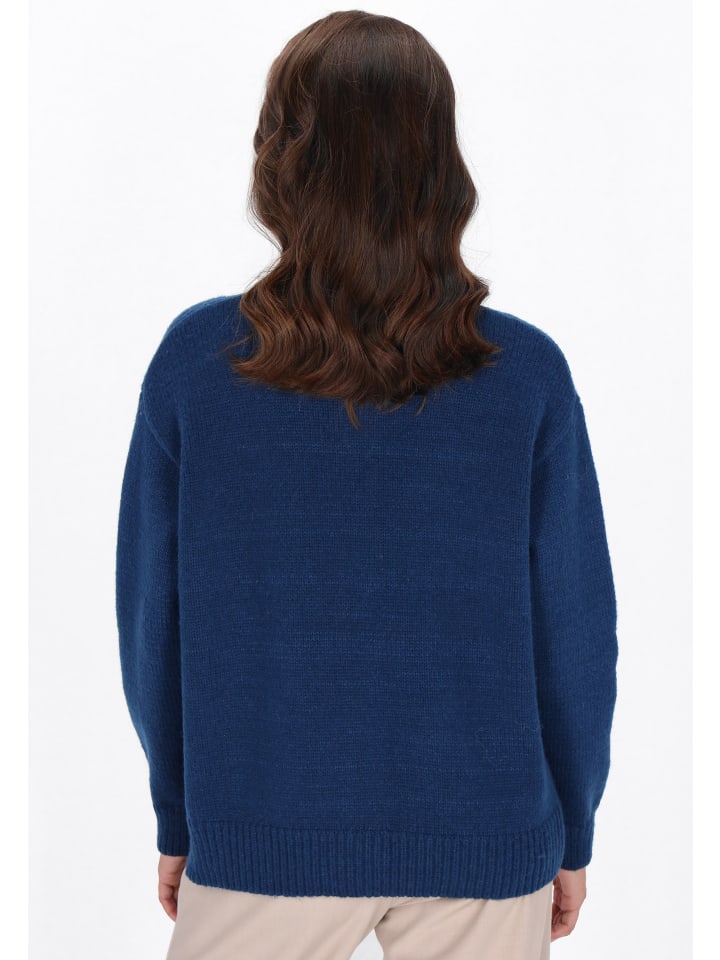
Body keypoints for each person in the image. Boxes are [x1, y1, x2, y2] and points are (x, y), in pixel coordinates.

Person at [115, 9, 618, 960]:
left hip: (262, 834)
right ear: (441, 166)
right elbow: (576, 633)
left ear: (280, 157)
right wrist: (573, 832)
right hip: (484, 841)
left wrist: (178, 815)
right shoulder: (525, 375)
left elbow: (153, 623)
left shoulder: (198, 361)